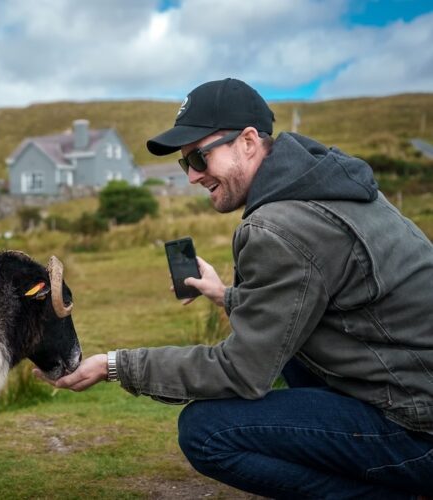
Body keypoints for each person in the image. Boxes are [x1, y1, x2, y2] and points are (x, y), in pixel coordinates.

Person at [34, 78, 433, 498]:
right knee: (288, 351)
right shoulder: (333, 185)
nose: (192, 176)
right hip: (414, 388)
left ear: (247, 142)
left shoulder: (278, 228)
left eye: (200, 157)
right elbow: (317, 299)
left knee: (205, 431)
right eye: (184, 163)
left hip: (417, 429)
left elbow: (241, 371)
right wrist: (226, 295)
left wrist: (114, 364)